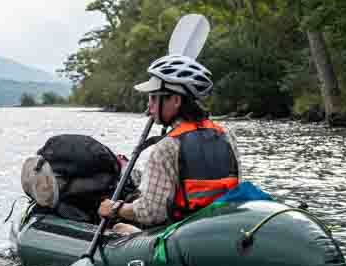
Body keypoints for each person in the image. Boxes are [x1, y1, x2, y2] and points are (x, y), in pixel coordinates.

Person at [97, 54, 241, 232]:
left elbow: (152, 212)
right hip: (222, 228)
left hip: (184, 236)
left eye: (153, 98)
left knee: (119, 227)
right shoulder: (226, 134)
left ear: (176, 100)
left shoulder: (167, 146)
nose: (149, 107)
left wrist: (115, 208)